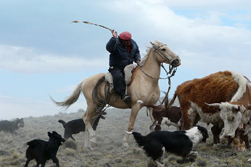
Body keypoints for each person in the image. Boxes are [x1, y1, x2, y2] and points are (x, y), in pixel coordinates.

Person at [106, 30, 141, 103]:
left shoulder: (133, 43)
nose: (128, 43)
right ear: (121, 40)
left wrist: (137, 59)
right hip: (117, 67)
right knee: (119, 76)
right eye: (126, 41)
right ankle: (123, 95)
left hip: (129, 66)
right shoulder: (116, 43)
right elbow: (109, 48)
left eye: (129, 40)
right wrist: (113, 39)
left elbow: (137, 52)